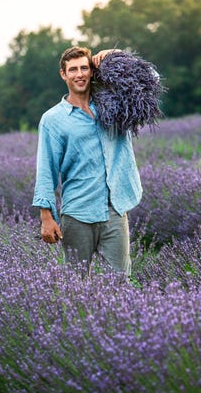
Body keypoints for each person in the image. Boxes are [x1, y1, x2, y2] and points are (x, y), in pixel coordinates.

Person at [32, 46, 142, 278]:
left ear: (92, 71)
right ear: (63, 74)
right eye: (73, 69)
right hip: (78, 213)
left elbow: (148, 81)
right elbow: (46, 170)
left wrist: (118, 56)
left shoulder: (114, 105)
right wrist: (46, 217)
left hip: (115, 210)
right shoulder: (53, 120)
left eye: (84, 68)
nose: (79, 74)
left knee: (121, 283)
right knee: (75, 285)